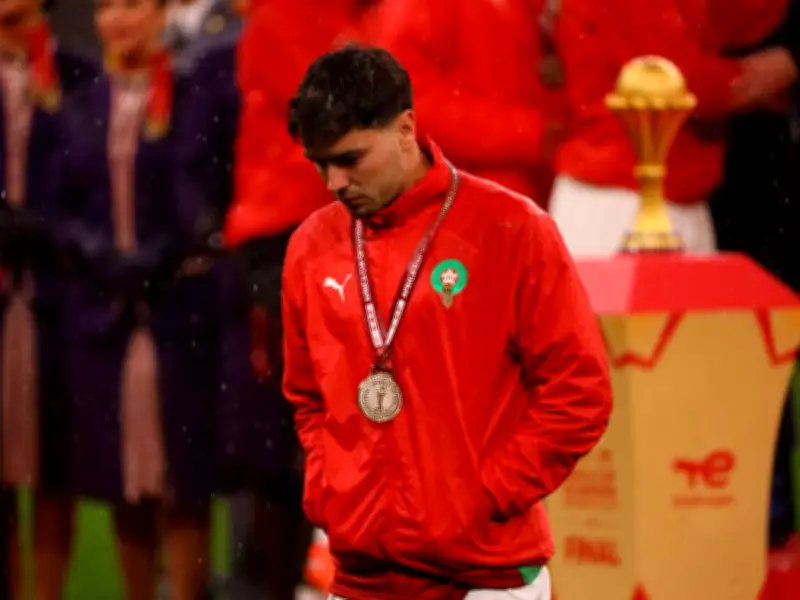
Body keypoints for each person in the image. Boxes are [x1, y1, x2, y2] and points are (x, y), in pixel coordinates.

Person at [281, 45, 613, 600]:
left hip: (485, 575)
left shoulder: (510, 230)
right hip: (361, 576)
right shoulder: (311, 247)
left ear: (405, 128)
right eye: (321, 164)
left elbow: (580, 392)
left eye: (351, 159)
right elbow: (307, 395)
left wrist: (485, 494)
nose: (335, 182)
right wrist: (330, 486)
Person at [56, 1, 217, 599]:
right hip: (103, 314)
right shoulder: (81, 103)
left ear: (161, 13)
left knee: (184, 479)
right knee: (121, 479)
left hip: (179, 310)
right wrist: (98, 254)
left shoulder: (196, 94)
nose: (118, 19)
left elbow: (207, 194)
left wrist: (164, 256)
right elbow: (62, 201)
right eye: (106, 7)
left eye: (132, 4)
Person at [550, 0, 792, 256]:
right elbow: (686, 83)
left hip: (681, 194)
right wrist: (784, 66)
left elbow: (747, 19)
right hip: (620, 200)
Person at [0, 1, 96, 598]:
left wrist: (42, 229)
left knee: (55, 467)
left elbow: (92, 183)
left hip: (61, 296)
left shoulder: (80, 76)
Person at [379, 0, 568, 207]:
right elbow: (414, 107)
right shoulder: (419, 8)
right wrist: (527, 132)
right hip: (470, 193)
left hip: (537, 183)